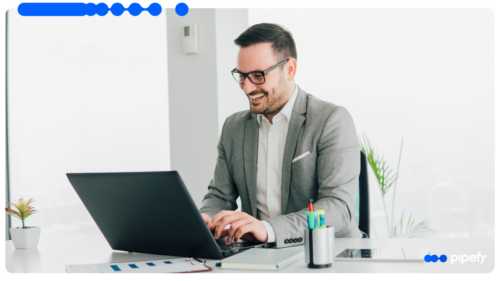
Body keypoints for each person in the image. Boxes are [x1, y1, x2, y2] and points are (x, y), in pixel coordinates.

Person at [199, 23, 362, 248]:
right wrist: (206, 218)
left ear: (290, 69)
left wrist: (266, 229)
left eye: (258, 75)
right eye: (242, 76)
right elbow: (219, 195)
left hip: (326, 254)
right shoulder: (233, 127)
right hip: (259, 255)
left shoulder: (331, 120)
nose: (247, 88)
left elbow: (337, 208)